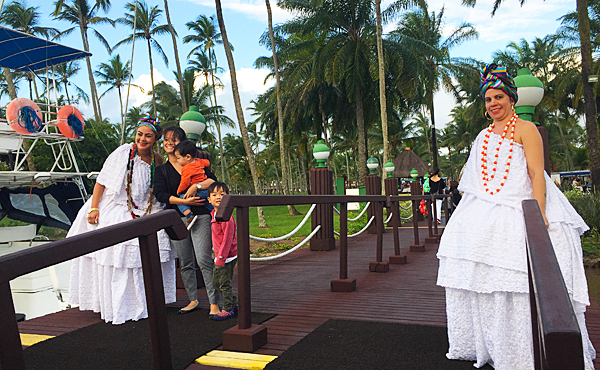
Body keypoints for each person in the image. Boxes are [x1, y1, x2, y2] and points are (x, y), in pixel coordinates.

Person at [436, 64, 595, 369]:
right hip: (484, 211)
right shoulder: (483, 135)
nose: (493, 103)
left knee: (523, 282)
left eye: (498, 97)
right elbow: (476, 181)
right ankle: (496, 346)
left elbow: (536, 172)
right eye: (488, 99)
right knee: (487, 282)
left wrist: (538, 212)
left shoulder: (526, 129)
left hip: (520, 206)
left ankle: (530, 351)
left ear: (511, 98)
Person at [68, 115, 176, 325]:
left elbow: (156, 188)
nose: (142, 139)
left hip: (144, 208)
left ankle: (147, 302)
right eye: (139, 134)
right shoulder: (123, 153)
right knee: (122, 247)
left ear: (155, 139)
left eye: (148, 136)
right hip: (117, 205)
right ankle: (120, 306)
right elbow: (102, 181)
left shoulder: (157, 159)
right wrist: (94, 208)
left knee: (159, 236)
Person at [154, 126, 221, 317]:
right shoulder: (162, 170)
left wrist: (196, 186)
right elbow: (161, 194)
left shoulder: (198, 163)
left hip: (200, 216)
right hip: (176, 219)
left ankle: (214, 302)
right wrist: (184, 201)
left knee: (204, 260)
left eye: (174, 140)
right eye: (166, 139)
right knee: (185, 262)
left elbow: (213, 183)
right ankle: (193, 299)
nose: (169, 143)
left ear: (182, 143)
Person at [207, 181, 238, 321]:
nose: (218, 197)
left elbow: (228, 239)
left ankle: (228, 308)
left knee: (224, 283)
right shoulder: (213, 213)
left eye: (222, 194)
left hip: (227, 256)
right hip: (218, 255)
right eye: (214, 194)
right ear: (209, 199)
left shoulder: (226, 216)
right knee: (216, 282)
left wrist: (221, 257)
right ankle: (234, 302)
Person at [173, 140, 213, 219]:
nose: (177, 161)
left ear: (188, 157)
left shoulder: (186, 168)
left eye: (178, 158)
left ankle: (189, 215)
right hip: (206, 191)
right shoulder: (199, 161)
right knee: (209, 204)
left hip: (197, 192)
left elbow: (185, 182)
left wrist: (179, 191)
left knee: (181, 199)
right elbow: (207, 162)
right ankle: (216, 214)